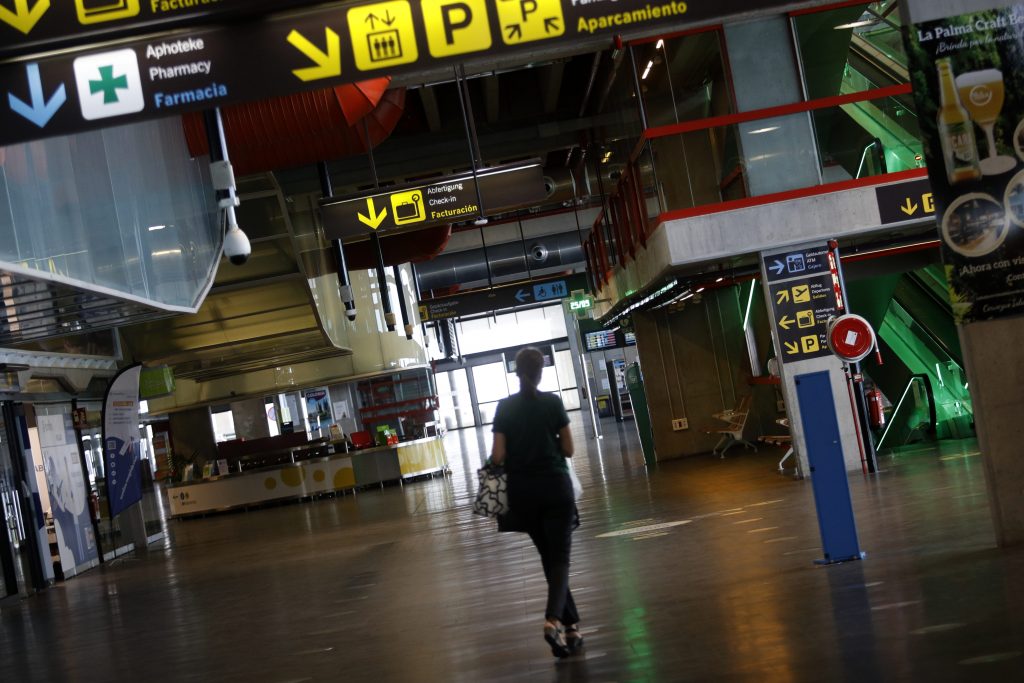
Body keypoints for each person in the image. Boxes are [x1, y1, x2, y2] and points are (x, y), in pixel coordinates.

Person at [490, 347, 582, 658]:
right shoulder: (552, 403)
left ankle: (572, 628)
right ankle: (553, 621)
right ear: (541, 371)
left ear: (515, 371)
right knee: (559, 560)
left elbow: (498, 456)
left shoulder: (504, 407)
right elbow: (568, 449)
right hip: (556, 490)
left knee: (550, 559)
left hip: (522, 495)